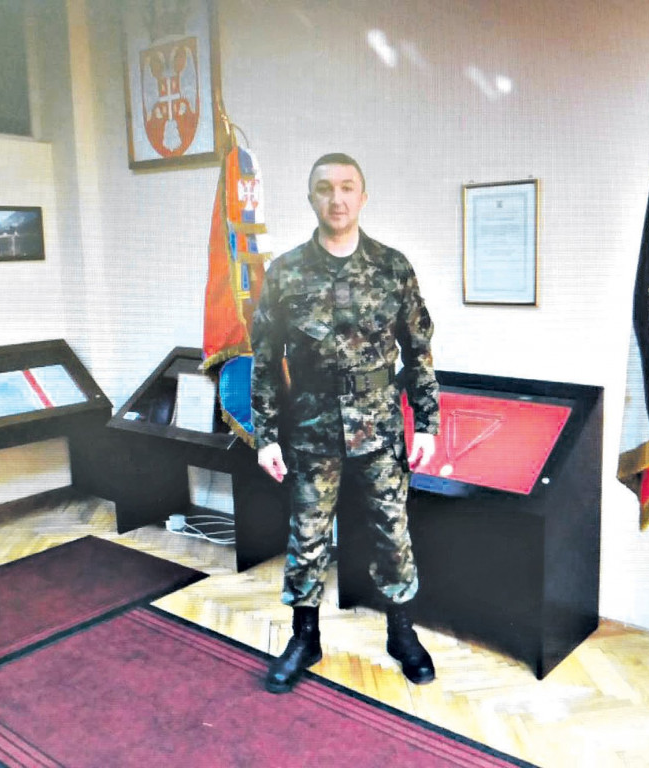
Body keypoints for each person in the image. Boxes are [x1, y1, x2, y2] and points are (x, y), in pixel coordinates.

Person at [250, 152, 440, 694]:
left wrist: (427, 423)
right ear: (311, 198)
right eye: (325, 188)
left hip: (379, 427)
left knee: (392, 532)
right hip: (310, 428)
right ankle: (304, 637)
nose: (337, 198)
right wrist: (266, 435)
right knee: (307, 535)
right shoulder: (285, 273)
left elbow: (419, 351)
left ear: (363, 196)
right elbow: (265, 360)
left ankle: (401, 634)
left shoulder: (393, 267)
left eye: (347, 187)